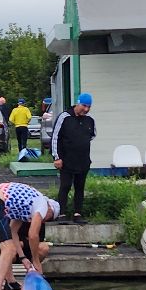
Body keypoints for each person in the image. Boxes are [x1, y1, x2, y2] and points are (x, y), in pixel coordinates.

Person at [0, 181, 52, 290]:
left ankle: (11, 283)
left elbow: (13, 232)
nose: (46, 219)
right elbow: (33, 235)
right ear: (50, 209)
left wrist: (23, 258)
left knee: (9, 246)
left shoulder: (24, 206)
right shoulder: (43, 204)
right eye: (49, 217)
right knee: (8, 248)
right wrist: (36, 262)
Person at [52, 92, 96, 224]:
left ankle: (78, 214)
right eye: (84, 106)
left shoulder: (89, 120)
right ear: (78, 103)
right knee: (65, 186)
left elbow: (92, 135)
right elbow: (55, 137)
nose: (86, 109)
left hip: (83, 160)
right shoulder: (65, 117)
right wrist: (57, 157)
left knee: (80, 187)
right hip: (66, 160)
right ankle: (62, 214)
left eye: (89, 107)